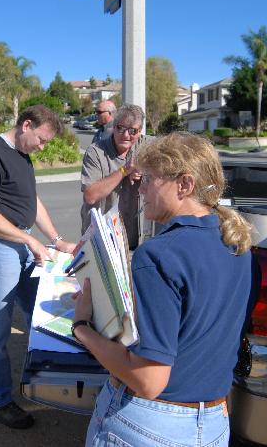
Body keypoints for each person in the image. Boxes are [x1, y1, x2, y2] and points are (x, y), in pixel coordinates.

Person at [73, 132, 253, 447]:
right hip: (212, 425)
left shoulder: (157, 255)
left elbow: (148, 381)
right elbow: (199, 332)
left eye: (149, 180)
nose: (139, 188)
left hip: (149, 424)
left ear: (184, 184)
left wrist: (83, 329)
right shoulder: (239, 247)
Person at [0, 105, 77, 429]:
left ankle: (42, 382)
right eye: (41, 140)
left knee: (43, 318)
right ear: (25, 125)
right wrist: (29, 241)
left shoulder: (22, 155)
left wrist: (56, 240)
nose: (42, 147)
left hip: (22, 243)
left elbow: (32, 201)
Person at [81, 104, 149, 249]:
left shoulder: (146, 145)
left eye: (132, 131)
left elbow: (175, 152)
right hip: (101, 239)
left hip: (135, 240)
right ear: (113, 126)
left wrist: (144, 168)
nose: (125, 135)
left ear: (140, 131)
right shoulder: (96, 152)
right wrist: (125, 170)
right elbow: (90, 195)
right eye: (120, 128)